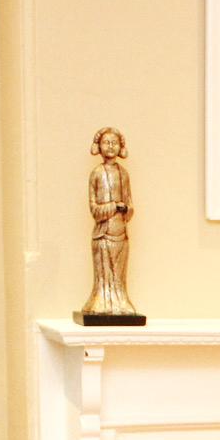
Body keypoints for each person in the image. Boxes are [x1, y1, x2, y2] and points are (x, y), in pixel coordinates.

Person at [82, 127, 140, 319]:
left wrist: (126, 209)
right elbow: (94, 209)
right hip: (103, 234)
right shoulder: (96, 173)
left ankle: (120, 302)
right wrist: (113, 206)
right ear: (98, 146)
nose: (110, 146)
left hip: (120, 233)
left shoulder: (124, 174)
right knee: (104, 275)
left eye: (114, 142)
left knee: (119, 275)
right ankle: (101, 302)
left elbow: (130, 204)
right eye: (106, 142)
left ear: (120, 146)